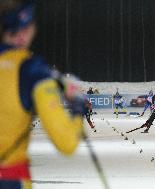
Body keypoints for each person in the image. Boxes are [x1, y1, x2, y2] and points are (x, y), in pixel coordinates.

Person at [0, 1, 85, 188]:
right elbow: (67, 143)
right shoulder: (31, 70)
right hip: (10, 180)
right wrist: (78, 108)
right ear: (24, 31)